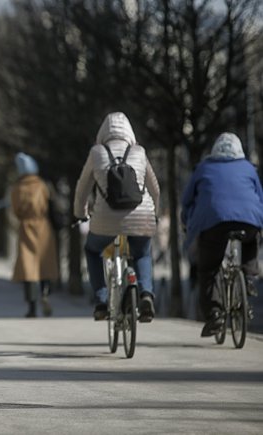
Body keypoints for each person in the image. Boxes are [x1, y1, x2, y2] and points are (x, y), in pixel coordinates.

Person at [73, 112, 160, 322]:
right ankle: (146, 293)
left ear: (102, 132)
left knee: (92, 250)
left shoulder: (97, 153)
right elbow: (154, 189)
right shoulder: (139, 152)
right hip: (141, 217)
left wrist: (80, 214)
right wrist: (154, 214)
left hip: (105, 220)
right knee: (142, 253)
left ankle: (102, 301)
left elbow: (82, 189)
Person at [180, 132, 263, 337]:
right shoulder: (248, 168)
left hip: (213, 223)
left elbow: (186, 200)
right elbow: (260, 197)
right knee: (251, 239)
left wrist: (186, 222)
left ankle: (215, 314)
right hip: (249, 220)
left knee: (208, 270)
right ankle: (249, 275)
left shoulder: (204, 167)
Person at [11, 152, 59, 318]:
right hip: (44, 226)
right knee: (45, 264)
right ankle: (45, 293)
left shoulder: (17, 187)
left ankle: (31, 307)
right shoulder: (43, 185)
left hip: (26, 226)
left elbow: (16, 210)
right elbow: (51, 204)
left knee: (28, 268)